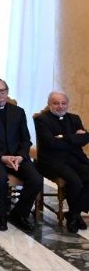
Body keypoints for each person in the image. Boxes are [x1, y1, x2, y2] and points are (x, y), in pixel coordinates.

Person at [0, 78, 42, 232]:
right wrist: (1, 157)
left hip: (16, 156)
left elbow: (25, 139)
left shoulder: (18, 112)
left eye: (2, 91)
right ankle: (2, 215)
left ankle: (19, 214)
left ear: (7, 91)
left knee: (36, 179)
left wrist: (20, 156)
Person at [34, 91, 89, 233]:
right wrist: (73, 138)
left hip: (75, 158)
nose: (60, 106)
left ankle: (73, 213)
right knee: (75, 181)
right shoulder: (42, 119)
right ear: (49, 104)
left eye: (63, 103)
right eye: (56, 103)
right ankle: (74, 216)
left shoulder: (74, 118)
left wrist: (63, 138)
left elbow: (85, 138)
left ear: (67, 104)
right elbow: (51, 143)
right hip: (52, 161)